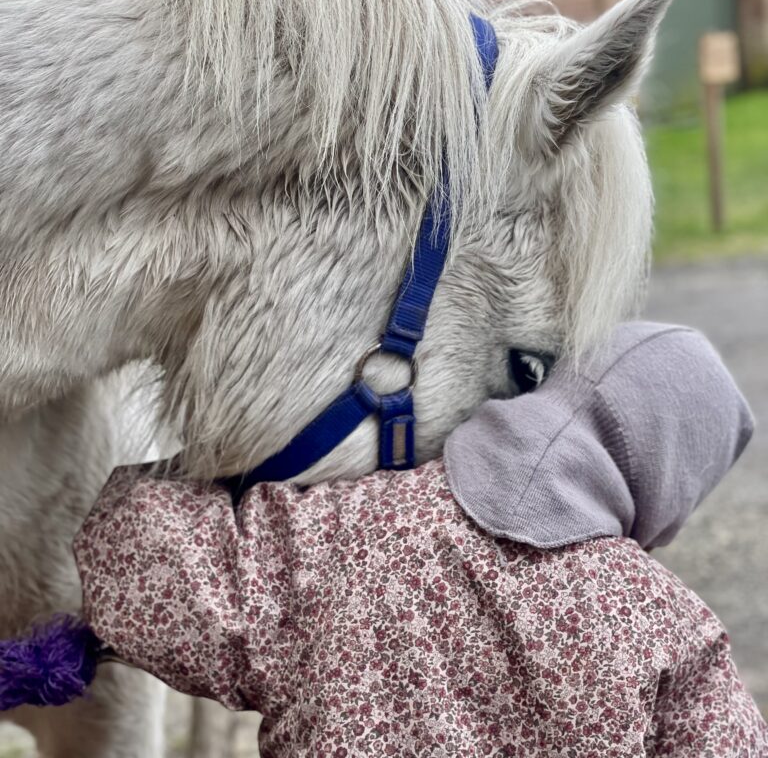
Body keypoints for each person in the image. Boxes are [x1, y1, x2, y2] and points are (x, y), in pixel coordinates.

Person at [75, 322, 767, 756]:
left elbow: (136, 554)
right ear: (671, 484)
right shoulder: (667, 628)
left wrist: (230, 475)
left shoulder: (341, 530)